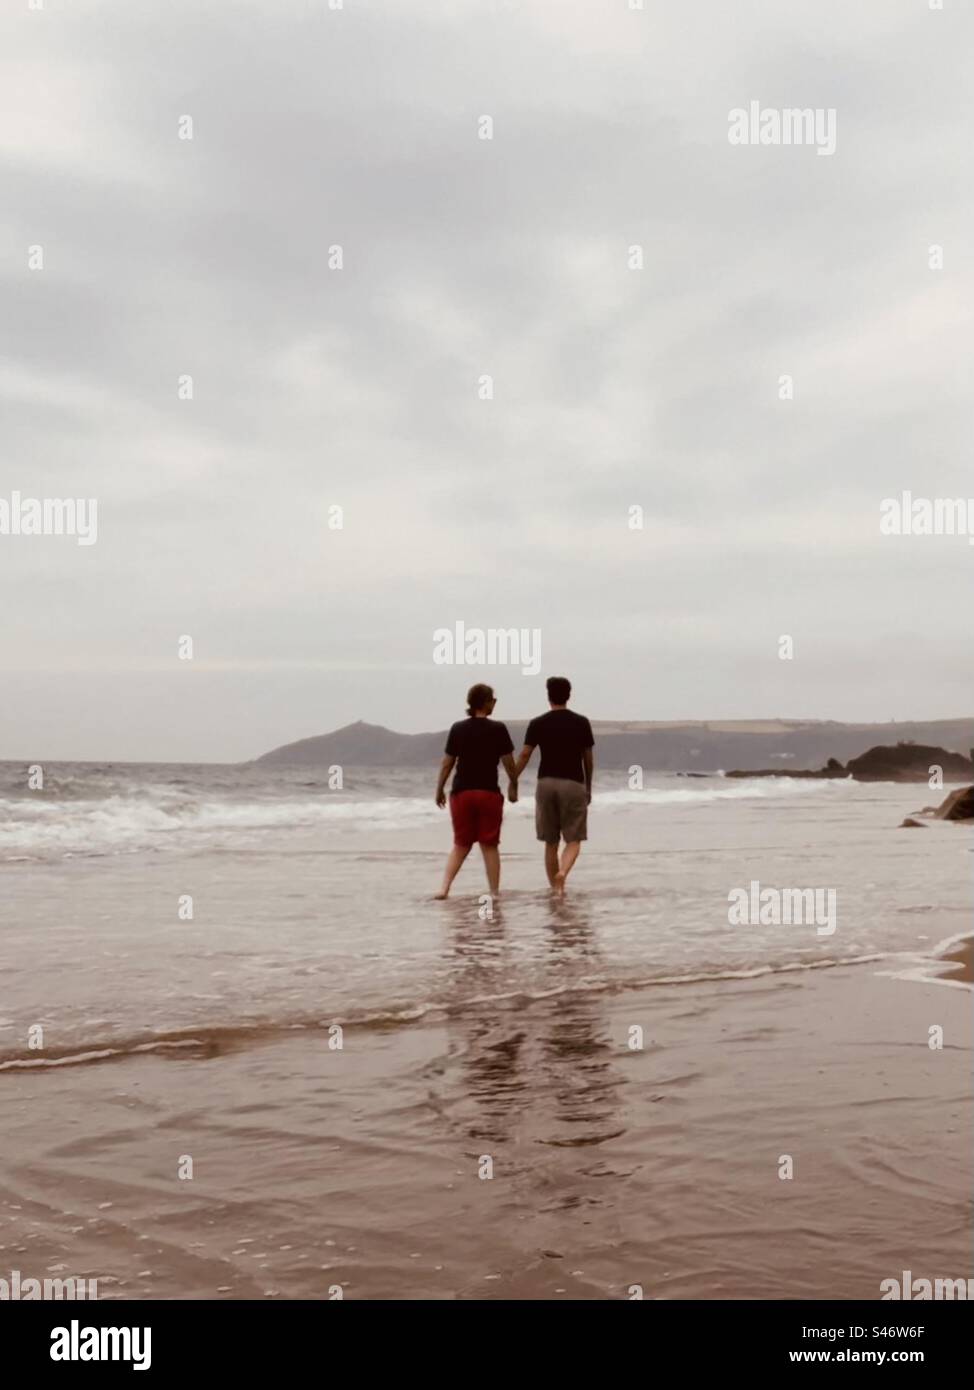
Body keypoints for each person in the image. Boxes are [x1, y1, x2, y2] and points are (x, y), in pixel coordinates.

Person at [434, 684, 518, 899]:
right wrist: (513, 784)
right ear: (486, 702)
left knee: (461, 844)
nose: (495, 703)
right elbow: (509, 762)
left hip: (462, 792)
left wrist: (440, 788)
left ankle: (444, 888)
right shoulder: (498, 729)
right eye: (493, 700)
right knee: (489, 846)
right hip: (488, 793)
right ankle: (494, 892)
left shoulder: (458, 728)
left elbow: (448, 763)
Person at [512, 676, 594, 894]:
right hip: (573, 782)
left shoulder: (538, 723)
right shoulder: (581, 722)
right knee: (574, 839)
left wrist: (513, 779)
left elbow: (525, 754)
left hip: (546, 783)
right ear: (569, 695)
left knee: (550, 842)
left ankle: (555, 891)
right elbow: (588, 758)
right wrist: (588, 786)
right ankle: (563, 873)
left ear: (548, 696)